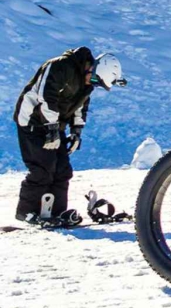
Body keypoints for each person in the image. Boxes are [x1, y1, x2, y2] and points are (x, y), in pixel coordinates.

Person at [13, 48, 126, 226]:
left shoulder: (86, 83)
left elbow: (80, 106)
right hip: (33, 121)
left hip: (54, 124)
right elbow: (46, 96)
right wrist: (51, 128)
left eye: (97, 83)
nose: (92, 84)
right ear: (92, 67)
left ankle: (57, 212)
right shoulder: (60, 66)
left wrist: (76, 131)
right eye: (94, 79)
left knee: (63, 170)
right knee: (42, 169)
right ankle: (26, 212)